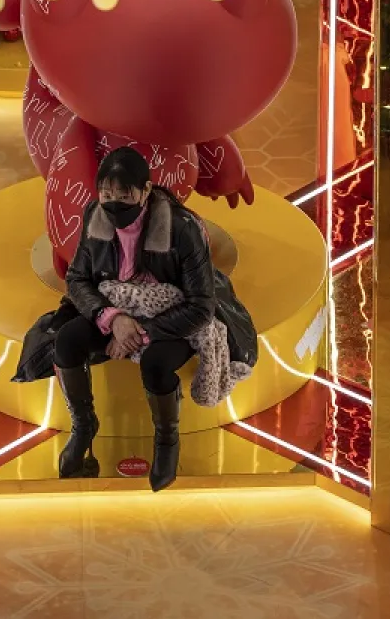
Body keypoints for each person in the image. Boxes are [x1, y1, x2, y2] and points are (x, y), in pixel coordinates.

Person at [15, 146, 258, 492]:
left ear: (146, 191)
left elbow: (202, 305)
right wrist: (112, 318)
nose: (114, 202)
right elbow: (78, 280)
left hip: (170, 314)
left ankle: (167, 442)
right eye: (107, 193)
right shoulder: (94, 216)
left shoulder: (182, 228)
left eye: (125, 194)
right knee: (67, 339)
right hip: (116, 307)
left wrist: (140, 331)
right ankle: (83, 425)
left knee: (156, 364)